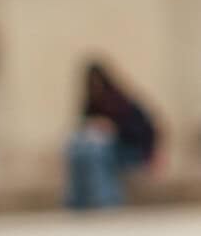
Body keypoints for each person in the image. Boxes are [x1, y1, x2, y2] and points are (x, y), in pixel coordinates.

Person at [64, 60, 160, 210]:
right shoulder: (91, 105)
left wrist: (113, 128)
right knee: (77, 148)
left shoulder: (122, 102)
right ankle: (78, 203)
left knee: (96, 153)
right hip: (99, 150)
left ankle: (106, 202)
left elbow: (143, 131)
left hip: (128, 151)